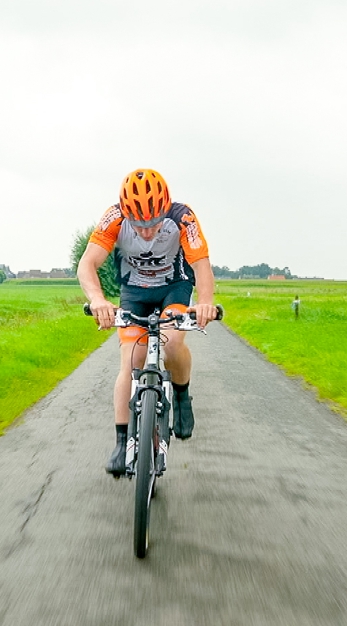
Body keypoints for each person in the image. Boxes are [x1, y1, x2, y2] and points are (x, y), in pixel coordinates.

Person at [77, 168, 219, 476]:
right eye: (138, 224)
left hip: (174, 286)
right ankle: (122, 442)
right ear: (126, 213)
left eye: (153, 223)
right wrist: (98, 300)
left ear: (164, 210)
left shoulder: (183, 217)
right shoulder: (113, 217)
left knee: (172, 341)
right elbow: (88, 263)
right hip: (134, 290)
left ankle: (182, 396)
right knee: (131, 360)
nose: (145, 231)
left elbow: (201, 265)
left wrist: (205, 303)